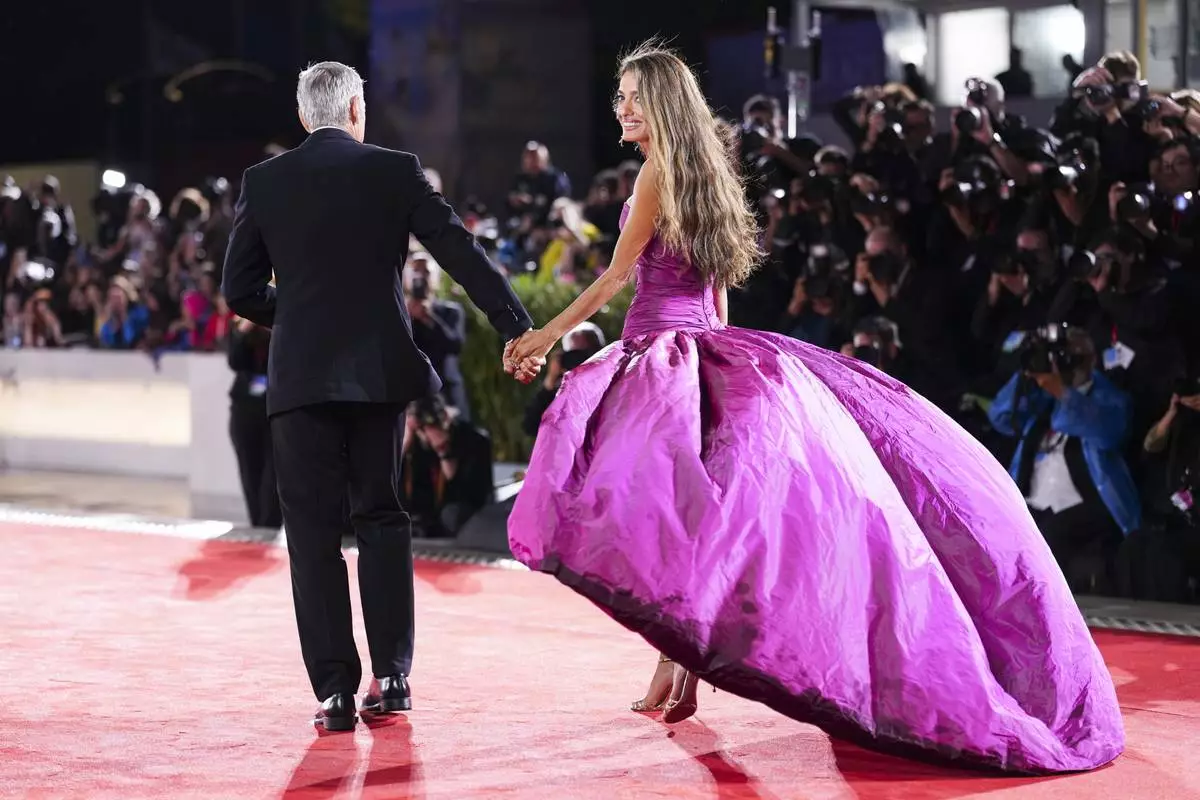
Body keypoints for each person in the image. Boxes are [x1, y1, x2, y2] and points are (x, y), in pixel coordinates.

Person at [503, 43, 1124, 774]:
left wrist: (542, 336)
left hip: (662, 356)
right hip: (710, 351)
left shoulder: (653, 173)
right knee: (697, 519)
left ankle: (676, 663)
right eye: (619, 95)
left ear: (663, 104)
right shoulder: (708, 173)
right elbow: (718, 294)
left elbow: (615, 278)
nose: (622, 108)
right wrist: (717, 361)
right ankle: (677, 664)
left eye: (633, 95)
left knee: (642, 513)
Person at [221, 61, 537, 733]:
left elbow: (240, 290)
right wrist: (517, 325)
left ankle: (334, 693)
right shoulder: (394, 169)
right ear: (357, 111)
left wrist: (302, 313)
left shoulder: (264, 181)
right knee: (382, 519)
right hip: (378, 376)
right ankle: (391, 678)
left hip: (301, 378)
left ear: (306, 115)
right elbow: (457, 249)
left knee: (310, 536)